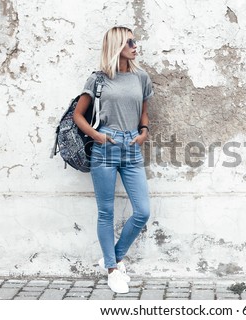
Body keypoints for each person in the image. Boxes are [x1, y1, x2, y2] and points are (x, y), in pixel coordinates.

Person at [73, 26, 154, 294]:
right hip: (105, 146)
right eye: (129, 41)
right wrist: (97, 136)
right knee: (106, 212)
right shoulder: (98, 80)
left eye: (134, 40)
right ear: (116, 46)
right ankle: (112, 270)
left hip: (131, 147)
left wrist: (144, 133)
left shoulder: (141, 77)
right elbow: (78, 116)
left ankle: (114, 258)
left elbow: (144, 113)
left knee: (142, 211)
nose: (135, 45)